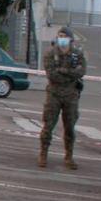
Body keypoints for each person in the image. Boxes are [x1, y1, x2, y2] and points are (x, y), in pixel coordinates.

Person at [39, 25, 86, 169]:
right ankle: (43, 154)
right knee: (48, 125)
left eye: (65, 36)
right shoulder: (50, 53)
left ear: (71, 39)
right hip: (54, 94)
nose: (62, 39)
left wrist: (63, 71)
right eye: (60, 36)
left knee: (70, 127)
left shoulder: (77, 54)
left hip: (71, 96)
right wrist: (69, 74)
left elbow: (81, 71)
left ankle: (69, 157)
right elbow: (51, 74)